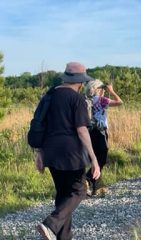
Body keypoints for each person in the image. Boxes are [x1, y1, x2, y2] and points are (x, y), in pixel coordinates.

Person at [35, 62, 101, 240]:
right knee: (79, 190)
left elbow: (40, 125)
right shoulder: (76, 99)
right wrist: (94, 159)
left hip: (50, 153)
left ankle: (62, 236)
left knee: (64, 197)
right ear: (80, 81)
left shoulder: (49, 96)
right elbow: (82, 130)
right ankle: (50, 224)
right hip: (71, 153)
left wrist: (39, 153)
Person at [84, 79, 123, 196]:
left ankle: (97, 188)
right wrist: (111, 91)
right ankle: (86, 180)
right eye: (103, 89)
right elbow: (119, 102)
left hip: (89, 132)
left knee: (94, 160)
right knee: (102, 159)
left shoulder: (86, 100)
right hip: (100, 132)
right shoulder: (102, 100)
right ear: (99, 90)